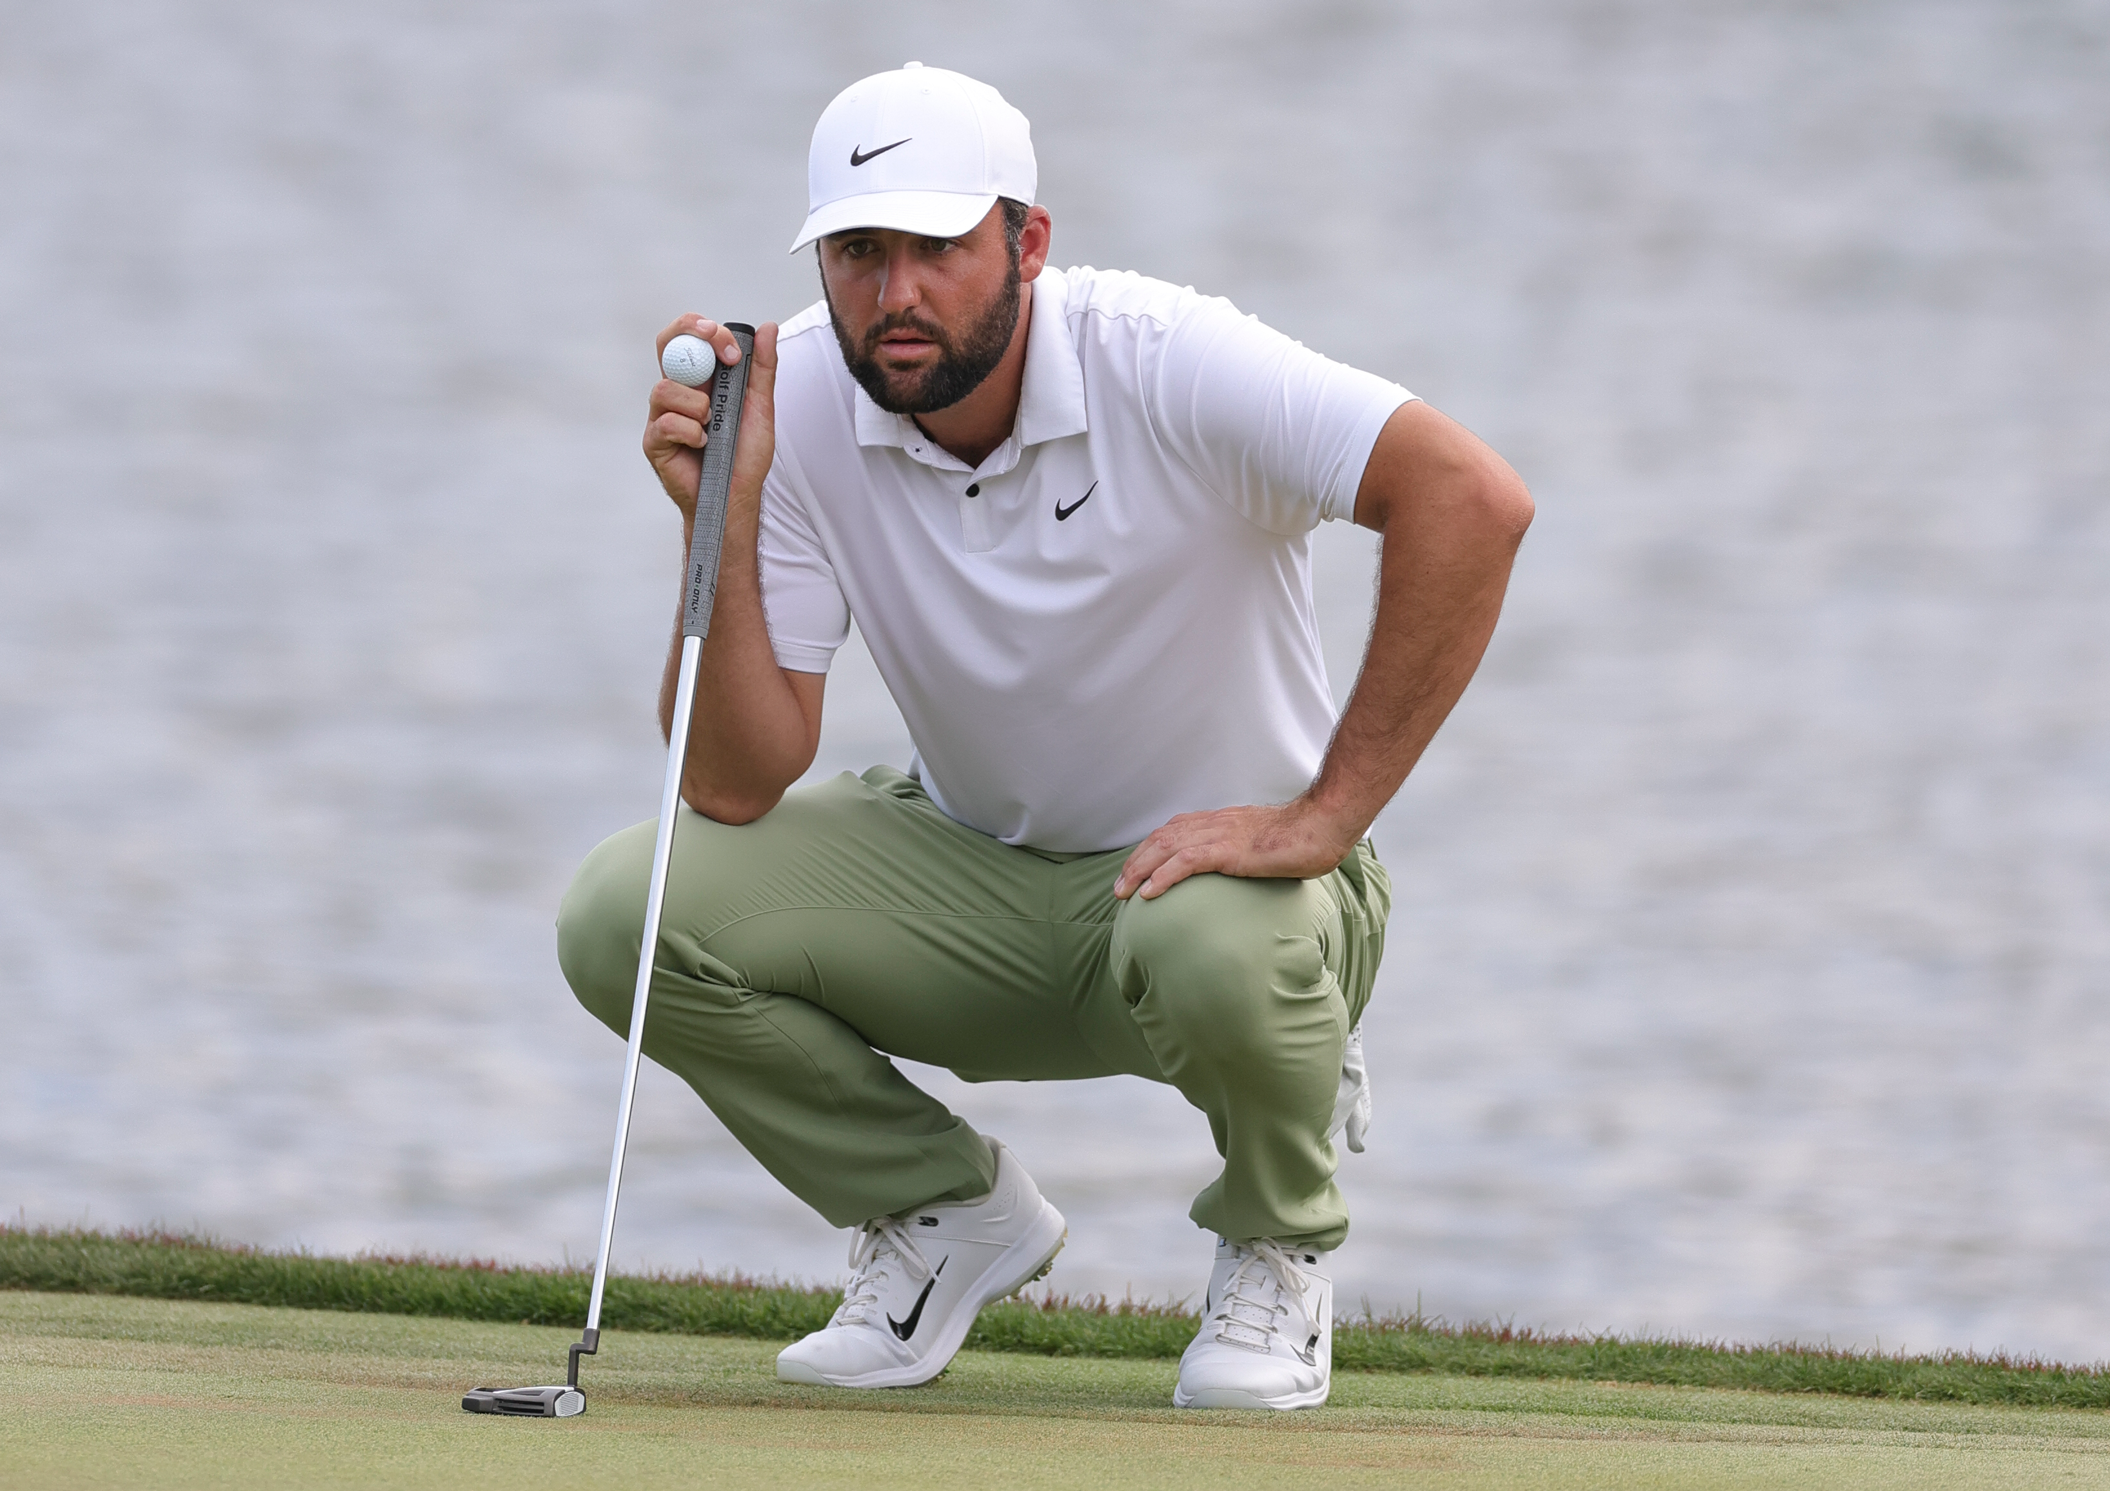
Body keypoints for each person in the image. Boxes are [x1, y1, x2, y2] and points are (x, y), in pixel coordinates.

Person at [556, 61, 1531, 1410]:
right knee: (625, 910)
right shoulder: (794, 401)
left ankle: (1277, 1246)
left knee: (1212, 945)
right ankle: (942, 1212)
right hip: (978, 881)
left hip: (1234, 900)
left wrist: (1325, 816)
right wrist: (716, 515)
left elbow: (1471, 499)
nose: (896, 293)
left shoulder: (1165, 356)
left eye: (939, 248)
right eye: (859, 252)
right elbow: (731, 781)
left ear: (1027, 244)